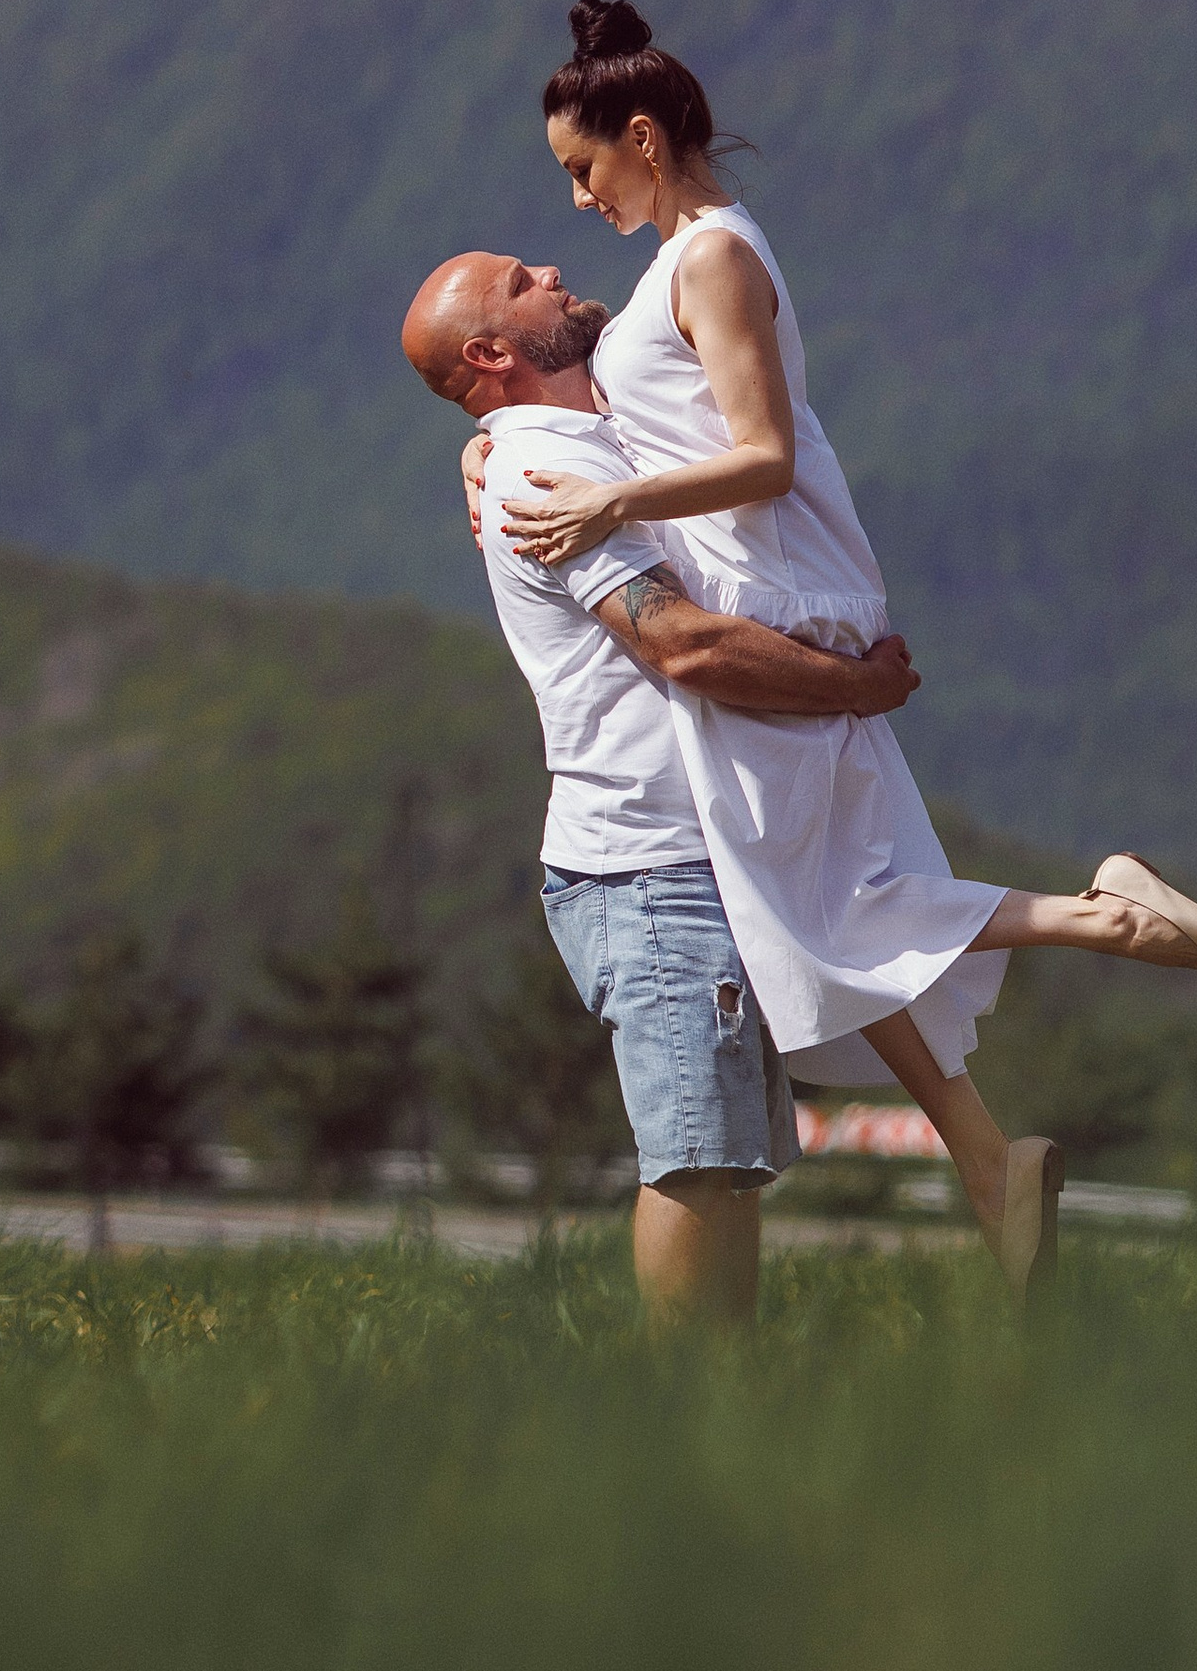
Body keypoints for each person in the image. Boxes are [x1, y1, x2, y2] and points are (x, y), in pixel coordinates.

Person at [487, 0, 1197, 1239]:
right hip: (777, 585)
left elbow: (761, 453)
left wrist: (604, 500)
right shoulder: (687, 259)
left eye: (581, 170)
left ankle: (1104, 923)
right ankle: (988, 1150)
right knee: (812, 897)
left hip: (773, 592)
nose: (576, 202)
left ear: (640, 137)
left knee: (819, 899)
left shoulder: (714, 259)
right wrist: (513, 451)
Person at [401, 244, 1066, 1324]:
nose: (553, 262)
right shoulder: (538, 473)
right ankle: (688, 1422)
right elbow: (686, 646)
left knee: (728, 1155)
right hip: (649, 867)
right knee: (699, 1159)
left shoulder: (578, 431)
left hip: (685, 855)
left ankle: (724, 1407)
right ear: (491, 350)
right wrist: (854, 688)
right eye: (521, 280)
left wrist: (475, 443)